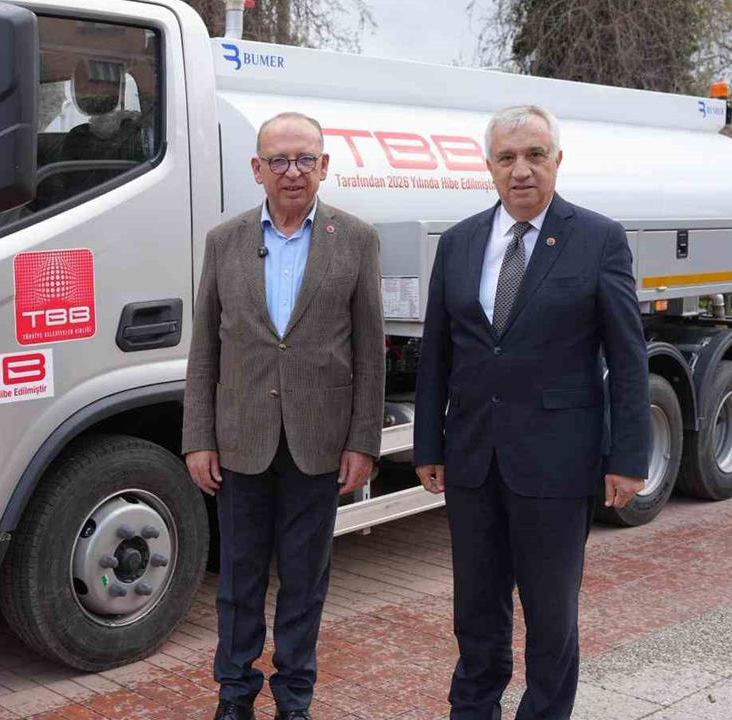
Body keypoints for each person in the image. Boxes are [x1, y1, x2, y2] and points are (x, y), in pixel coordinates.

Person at [414, 105, 650, 719]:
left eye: (535, 155)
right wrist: (429, 444)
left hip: (557, 463)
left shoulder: (598, 238)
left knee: (551, 617)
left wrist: (628, 457)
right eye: (507, 157)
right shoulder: (459, 242)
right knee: (475, 612)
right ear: (489, 166)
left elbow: (627, 358)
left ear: (557, 161)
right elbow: (437, 352)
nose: (521, 170)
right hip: (473, 461)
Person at [182, 112, 385, 720]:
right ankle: (234, 695)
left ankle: (294, 700)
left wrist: (363, 442)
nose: (292, 172)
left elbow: (370, 350)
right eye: (278, 160)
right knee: (238, 581)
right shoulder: (224, 241)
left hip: (318, 443)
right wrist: (198, 437)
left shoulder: (357, 239)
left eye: (304, 159)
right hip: (240, 440)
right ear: (257, 168)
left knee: (304, 582)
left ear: (324, 166)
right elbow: (204, 348)